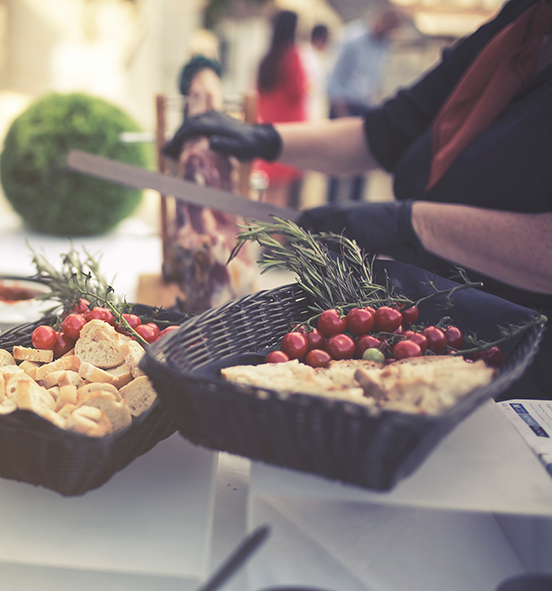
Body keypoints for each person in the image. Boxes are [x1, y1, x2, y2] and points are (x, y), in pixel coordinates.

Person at [164, 0, 552, 399]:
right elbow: (386, 131)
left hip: (527, 355)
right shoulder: (520, 22)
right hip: (420, 324)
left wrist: (410, 223)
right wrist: (266, 139)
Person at [325, 7, 402, 202]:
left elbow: (375, 78)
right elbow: (334, 78)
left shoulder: (384, 43)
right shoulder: (352, 38)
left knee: (361, 166)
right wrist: (341, 113)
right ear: (380, 20)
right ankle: (328, 214)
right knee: (336, 164)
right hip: (344, 106)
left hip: (365, 107)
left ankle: (352, 214)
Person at [254, 11, 308, 208]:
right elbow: (298, 90)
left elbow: (257, 95)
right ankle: (275, 240)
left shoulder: (266, 60)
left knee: (269, 200)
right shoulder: (292, 56)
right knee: (283, 205)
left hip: (269, 131)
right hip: (291, 136)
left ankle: (265, 238)